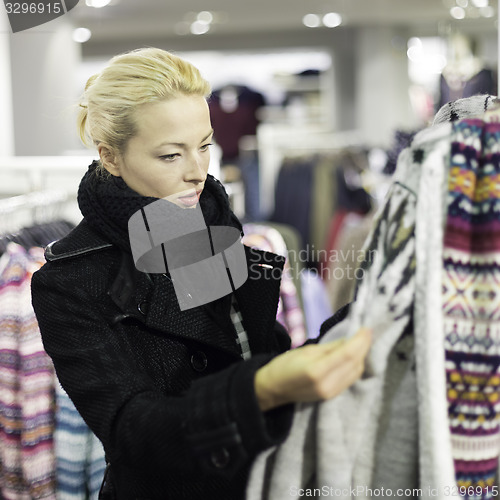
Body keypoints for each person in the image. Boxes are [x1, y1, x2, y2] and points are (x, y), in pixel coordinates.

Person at [30, 47, 371, 500]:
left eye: (205, 145)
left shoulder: (210, 230)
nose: (198, 172)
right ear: (110, 157)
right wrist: (259, 390)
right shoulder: (70, 280)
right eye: (171, 155)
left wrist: (367, 311)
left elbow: (254, 356)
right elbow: (134, 431)